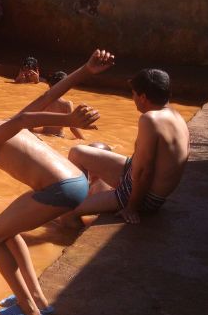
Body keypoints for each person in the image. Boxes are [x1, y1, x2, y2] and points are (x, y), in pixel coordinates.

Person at [0, 49, 111, 315]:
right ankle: (38, 300)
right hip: (75, 181)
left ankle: (28, 310)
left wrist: (69, 122)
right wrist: (85, 70)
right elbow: (46, 99)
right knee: (7, 231)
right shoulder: (0, 125)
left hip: (63, 188)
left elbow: (25, 120)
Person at [58, 67, 190, 225]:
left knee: (65, 212)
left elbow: (144, 172)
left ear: (142, 97)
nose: (132, 98)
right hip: (135, 177)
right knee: (76, 152)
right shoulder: (176, 116)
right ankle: (87, 199)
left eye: (133, 94)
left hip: (144, 196)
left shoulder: (150, 119)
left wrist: (131, 207)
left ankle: (76, 227)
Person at [30, 71, 85, 139]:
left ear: (50, 84)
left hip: (43, 134)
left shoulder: (44, 100)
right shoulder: (67, 104)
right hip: (57, 136)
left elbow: (31, 119)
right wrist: (83, 140)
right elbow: (73, 128)